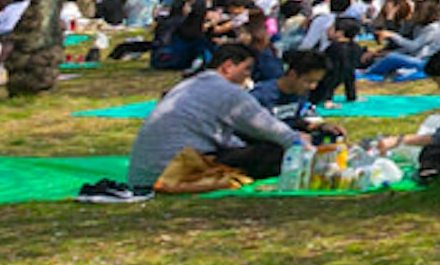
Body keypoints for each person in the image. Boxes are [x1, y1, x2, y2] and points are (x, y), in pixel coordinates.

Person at [125, 42, 305, 186]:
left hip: (145, 172)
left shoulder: (188, 85)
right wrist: (299, 143)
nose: (249, 76)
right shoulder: (228, 92)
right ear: (228, 67)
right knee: (273, 152)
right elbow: (267, 127)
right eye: (246, 69)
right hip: (178, 168)